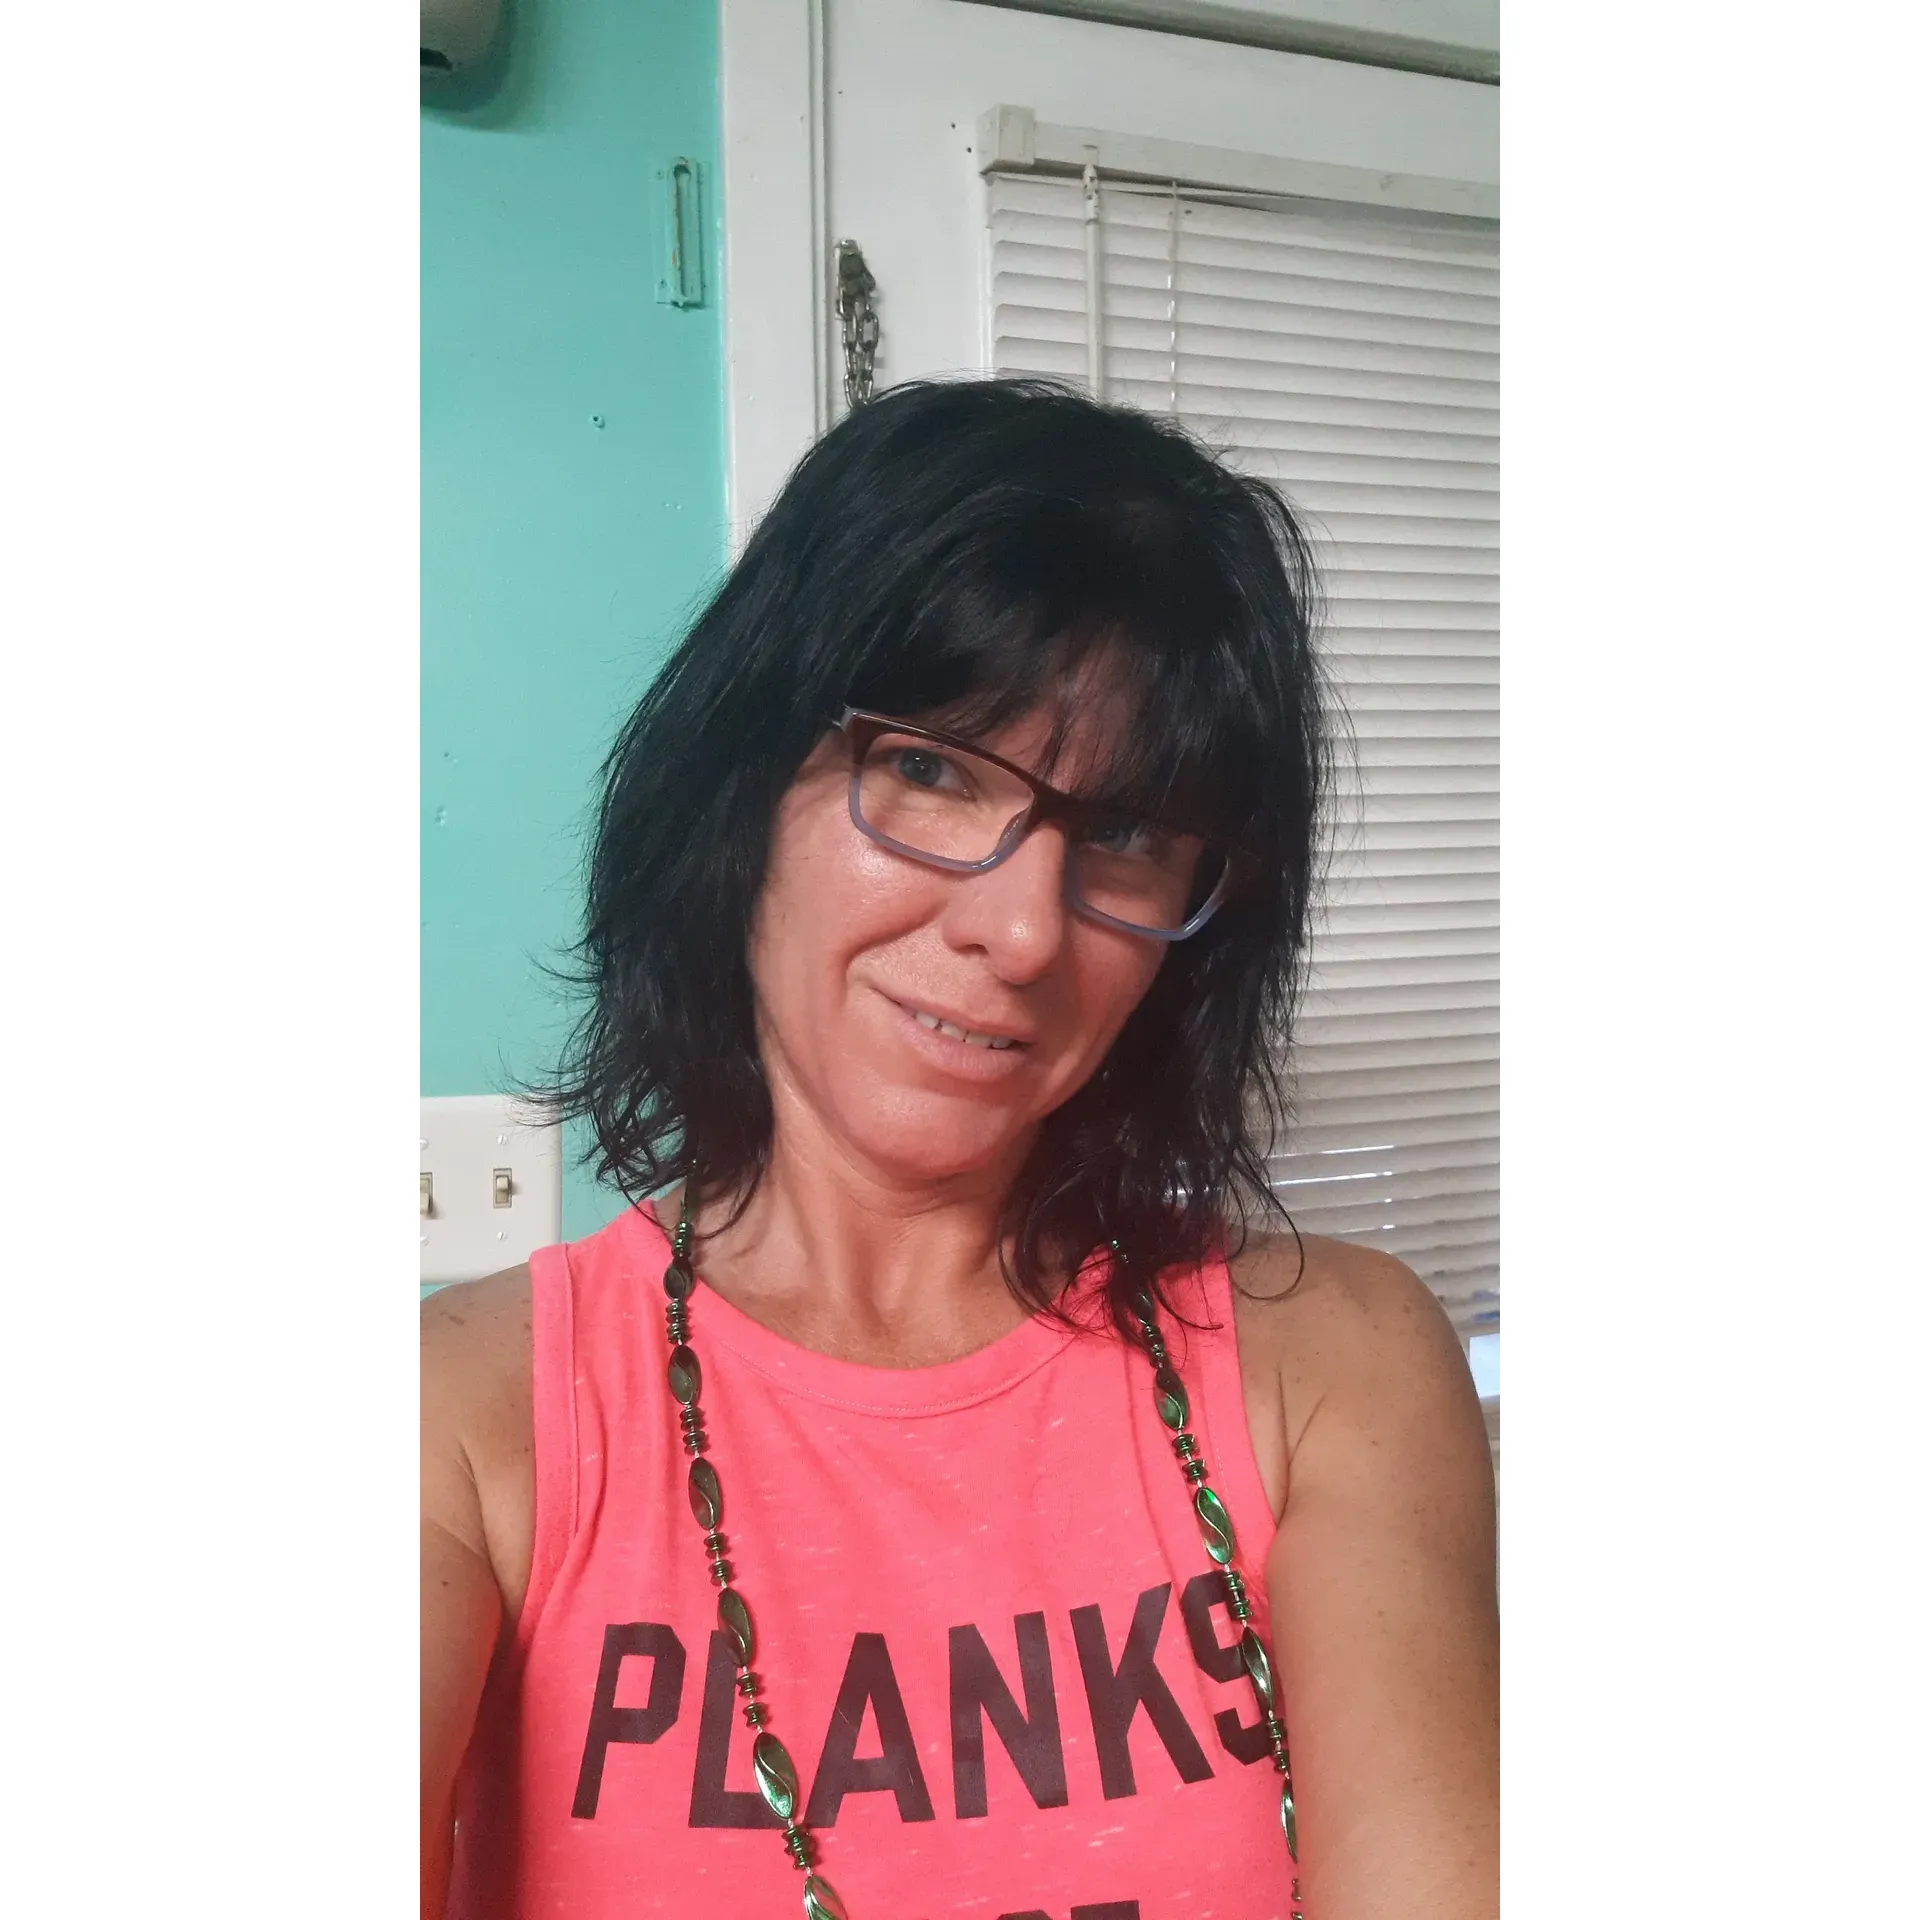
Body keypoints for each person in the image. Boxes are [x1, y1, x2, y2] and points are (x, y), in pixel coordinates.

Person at [421, 378, 1497, 1920]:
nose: (1022, 931)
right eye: (932, 770)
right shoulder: (462, 1425)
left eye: (1126, 835)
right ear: (742, 792)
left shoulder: (1333, 1366)